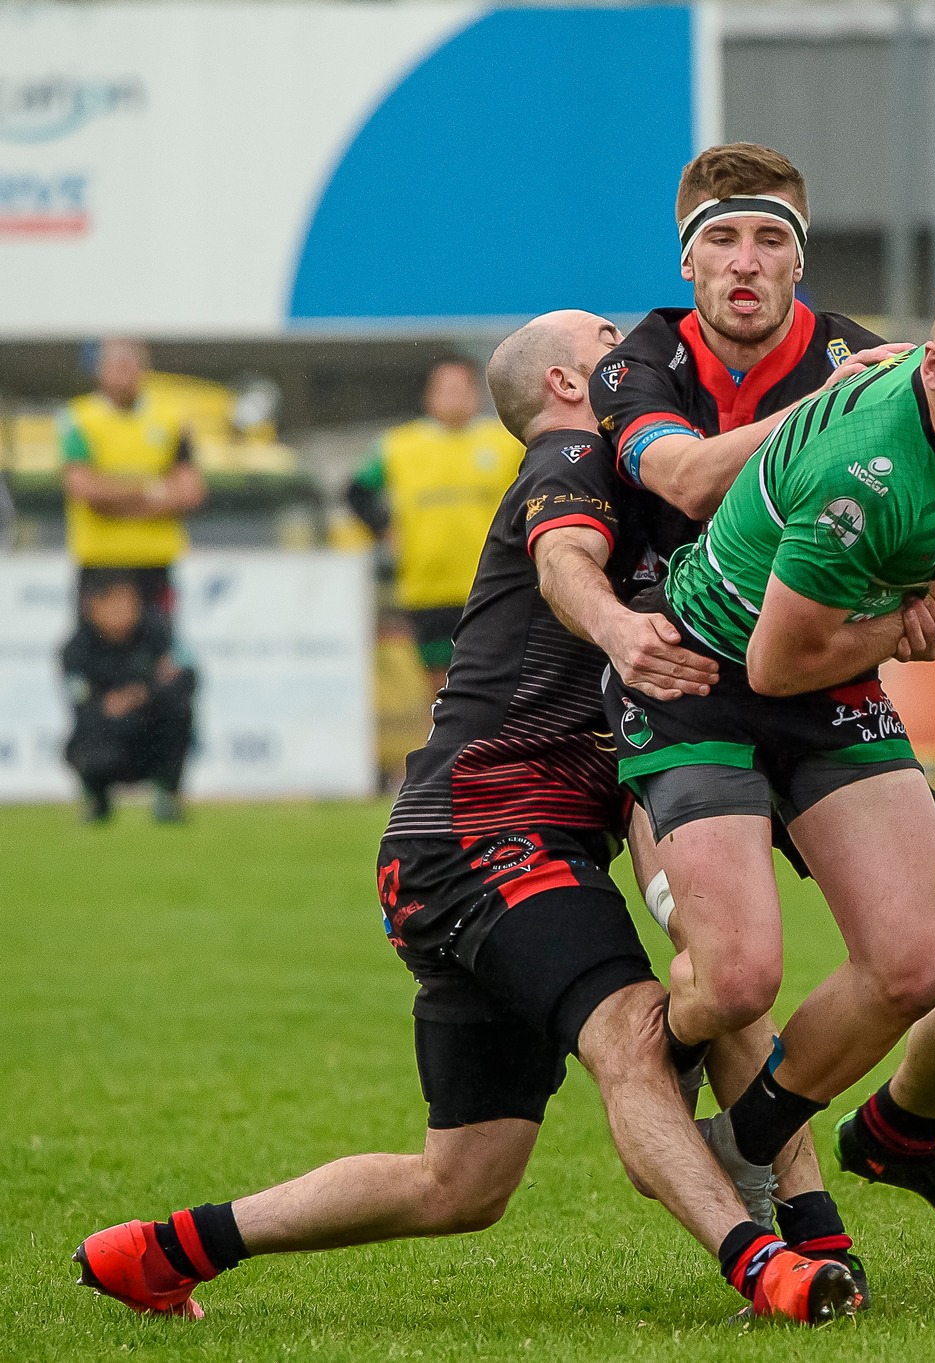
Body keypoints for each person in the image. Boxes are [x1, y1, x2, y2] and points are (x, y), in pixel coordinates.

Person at [71, 311, 859, 1328]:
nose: (638, 355)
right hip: (487, 832)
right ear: (573, 384)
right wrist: (833, 404)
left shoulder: (625, 476)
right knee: (642, 1023)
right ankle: (772, 1262)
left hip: (468, 848)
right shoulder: (576, 455)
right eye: (611, 344)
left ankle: (160, 1251)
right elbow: (570, 560)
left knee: (462, 1182)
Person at [573, 145, 935, 1278]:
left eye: (773, 240)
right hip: (688, 678)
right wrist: (840, 429)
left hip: (828, 680)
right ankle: (757, 1186)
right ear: (687, 256)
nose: (747, 264)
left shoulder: (881, 357)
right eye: (722, 239)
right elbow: (692, 484)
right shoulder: (638, 361)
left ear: (802, 254)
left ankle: (897, 1136)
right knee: (734, 973)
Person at [346, 356, 523, 693]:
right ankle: (449, 747)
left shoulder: (506, 443)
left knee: (495, 682)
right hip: (426, 588)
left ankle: (488, 747)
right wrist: (384, 529)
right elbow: (356, 493)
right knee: (441, 689)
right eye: (446, 389)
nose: (454, 397)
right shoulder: (399, 445)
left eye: (462, 388)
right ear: (430, 395)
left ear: (476, 394)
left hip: (492, 585)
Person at [59, 337, 205, 624]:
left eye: (131, 362)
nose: (124, 369)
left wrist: (115, 501)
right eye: (116, 362)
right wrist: (155, 491)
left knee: (158, 656)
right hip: (100, 559)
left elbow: (190, 491)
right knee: (99, 652)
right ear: (100, 369)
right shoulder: (78, 418)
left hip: (155, 559)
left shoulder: (171, 417)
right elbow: (84, 488)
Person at [61, 575, 195, 824]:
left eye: (130, 604)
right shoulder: (76, 649)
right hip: (108, 736)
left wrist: (140, 696)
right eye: (116, 605)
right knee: (86, 744)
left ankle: (168, 795)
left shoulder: (157, 632)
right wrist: (110, 705)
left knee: (180, 712)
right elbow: (82, 705)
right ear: (96, 608)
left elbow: (186, 678)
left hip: (150, 730)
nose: (125, 613)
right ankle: (96, 797)